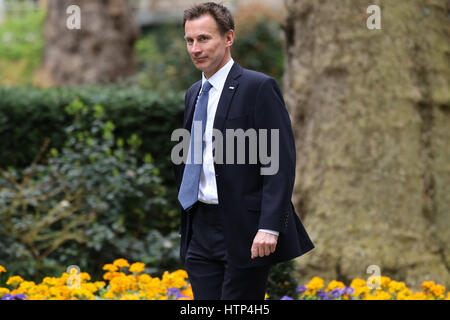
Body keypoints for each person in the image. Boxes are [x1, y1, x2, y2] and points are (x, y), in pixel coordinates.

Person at [172, 2, 314, 300]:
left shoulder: (258, 87)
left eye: (204, 38)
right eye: (189, 40)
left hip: (245, 230)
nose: (195, 48)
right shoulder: (193, 94)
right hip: (199, 229)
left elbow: (278, 164)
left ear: (228, 38)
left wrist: (269, 227)